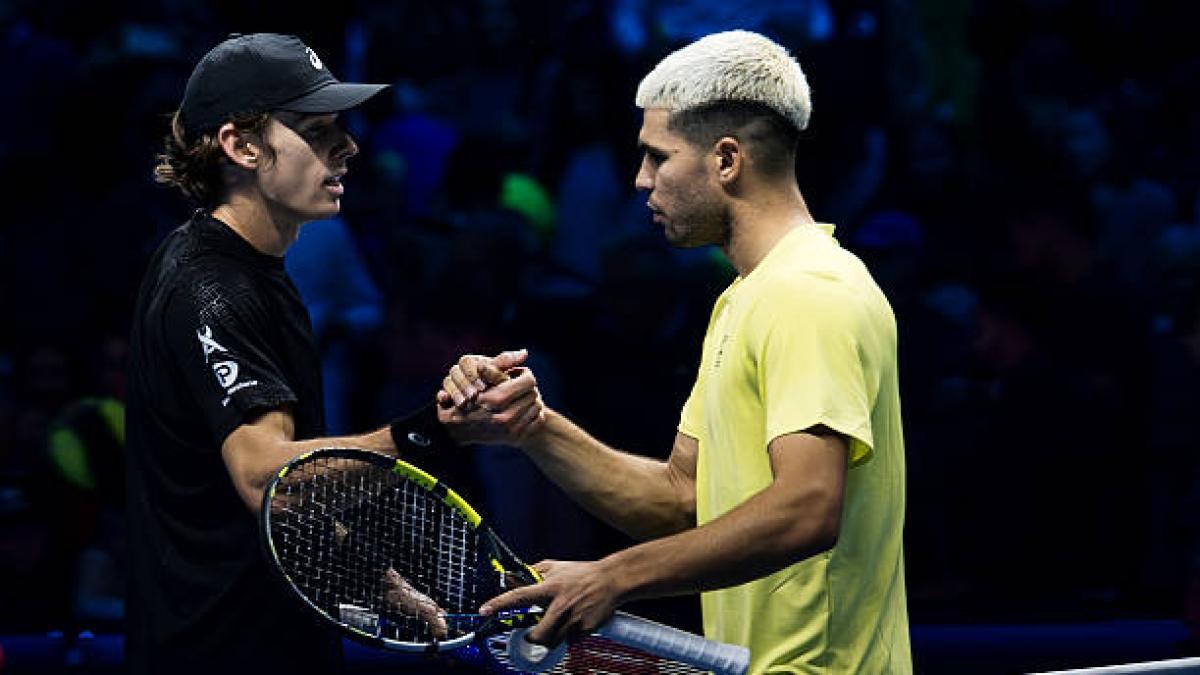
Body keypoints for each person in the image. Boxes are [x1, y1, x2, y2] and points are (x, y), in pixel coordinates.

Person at [439, 30, 911, 673]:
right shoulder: (746, 297)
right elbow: (682, 499)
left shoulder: (809, 291)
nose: (641, 180)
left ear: (727, 159)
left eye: (658, 157)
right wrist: (531, 426)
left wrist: (612, 576)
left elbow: (808, 507)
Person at [125, 33, 539, 675]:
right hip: (218, 654)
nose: (349, 146)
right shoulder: (210, 287)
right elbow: (267, 481)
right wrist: (431, 432)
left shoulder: (253, 272)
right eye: (317, 131)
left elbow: (270, 501)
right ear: (241, 147)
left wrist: (375, 579)